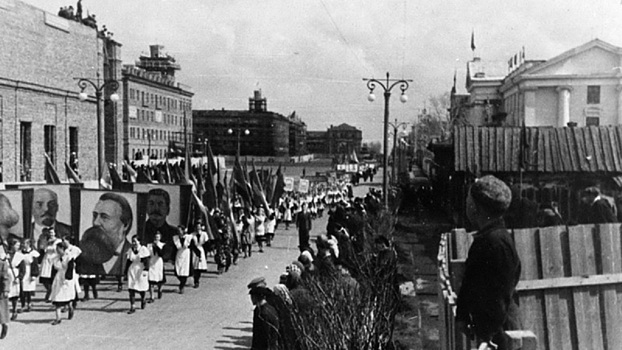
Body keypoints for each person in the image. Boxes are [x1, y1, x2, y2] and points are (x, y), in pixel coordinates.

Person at [456, 175, 521, 350]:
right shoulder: (490, 239)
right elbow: (472, 283)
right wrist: (462, 315)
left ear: (475, 208)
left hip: (499, 336)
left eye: (468, 200)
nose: (466, 204)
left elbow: (498, 296)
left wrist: (488, 336)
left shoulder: (495, 243)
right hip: (493, 332)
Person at [78, 193, 133, 276]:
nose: (96, 223)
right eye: (95, 216)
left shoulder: (132, 253)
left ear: (125, 224)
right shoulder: (82, 252)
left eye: (104, 217)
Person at [50, 241, 79, 325]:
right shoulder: (55, 258)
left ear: (63, 249)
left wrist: (67, 278)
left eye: (58, 249)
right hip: (58, 278)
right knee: (57, 298)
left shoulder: (69, 257)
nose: (57, 251)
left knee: (67, 296)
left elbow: (70, 269)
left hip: (67, 278)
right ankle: (58, 318)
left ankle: (70, 307)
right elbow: (54, 269)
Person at [143, 189, 177, 261]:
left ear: (168, 210)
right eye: (151, 203)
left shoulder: (175, 233)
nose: (155, 208)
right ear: (146, 208)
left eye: (160, 204)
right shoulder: (140, 232)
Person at [125, 236, 150, 314]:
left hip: (141, 269)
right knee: (131, 288)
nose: (133, 243)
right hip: (132, 270)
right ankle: (133, 306)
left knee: (141, 287)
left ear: (139, 241)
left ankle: (143, 299)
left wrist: (146, 270)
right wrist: (125, 272)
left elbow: (147, 261)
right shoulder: (130, 250)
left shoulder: (143, 249)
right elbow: (128, 262)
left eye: (135, 241)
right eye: (132, 241)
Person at [39, 228, 61, 302]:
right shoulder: (47, 240)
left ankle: (51, 294)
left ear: (55, 233)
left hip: (54, 259)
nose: (51, 234)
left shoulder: (58, 241)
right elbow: (42, 249)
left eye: (52, 232)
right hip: (46, 259)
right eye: (50, 232)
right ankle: (49, 290)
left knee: (52, 277)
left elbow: (58, 250)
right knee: (44, 277)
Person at [20, 239, 39, 311]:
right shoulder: (20, 252)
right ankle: (23, 304)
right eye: (22, 243)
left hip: (29, 271)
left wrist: (34, 275)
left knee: (28, 289)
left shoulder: (33, 253)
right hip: (22, 271)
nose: (23, 245)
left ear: (28, 244)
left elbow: (35, 265)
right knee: (22, 289)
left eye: (24, 243)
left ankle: (29, 303)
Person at [7, 239, 23, 321]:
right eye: (16, 245)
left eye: (19, 245)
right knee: (5, 294)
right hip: (6, 275)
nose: (18, 247)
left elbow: (22, 269)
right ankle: (5, 313)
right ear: (12, 245)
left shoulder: (19, 256)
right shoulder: (5, 254)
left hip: (15, 275)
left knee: (15, 295)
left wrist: (19, 277)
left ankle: (14, 311)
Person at [173, 226, 192, 294]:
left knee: (185, 271)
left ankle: (182, 286)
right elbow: (174, 248)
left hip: (186, 255)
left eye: (180, 230)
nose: (179, 232)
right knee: (178, 271)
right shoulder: (175, 238)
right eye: (178, 230)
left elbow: (192, 246)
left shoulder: (189, 237)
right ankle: (182, 282)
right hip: (179, 254)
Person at [147, 232, 166, 301]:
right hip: (152, 263)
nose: (156, 239)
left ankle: (159, 289)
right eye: (155, 237)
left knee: (159, 279)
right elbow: (148, 254)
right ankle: (152, 296)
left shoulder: (162, 245)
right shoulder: (149, 245)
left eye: (157, 237)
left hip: (158, 263)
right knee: (151, 280)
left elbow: (161, 254)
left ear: (160, 238)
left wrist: (157, 246)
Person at [191, 222, 208, 288]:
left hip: (201, 250)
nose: (198, 228)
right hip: (194, 251)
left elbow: (206, 243)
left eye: (199, 227)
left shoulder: (204, 234)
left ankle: (197, 280)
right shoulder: (192, 235)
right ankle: (195, 280)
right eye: (196, 227)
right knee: (194, 266)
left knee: (199, 267)